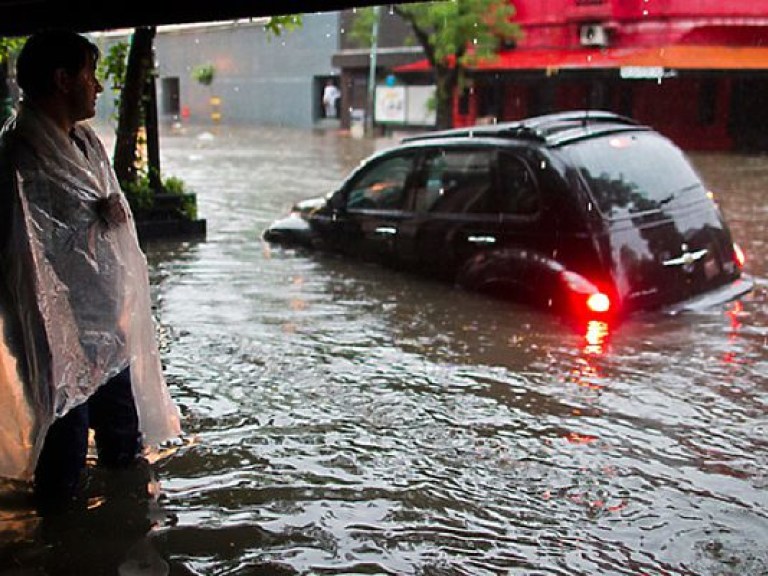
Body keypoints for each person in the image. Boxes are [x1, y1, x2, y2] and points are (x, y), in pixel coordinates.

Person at [0, 30, 181, 513]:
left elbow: (101, 220)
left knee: (123, 438)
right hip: (50, 332)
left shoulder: (84, 143)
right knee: (65, 444)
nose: (98, 87)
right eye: (89, 75)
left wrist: (107, 218)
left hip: (106, 327)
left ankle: (125, 527)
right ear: (62, 80)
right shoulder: (20, 155)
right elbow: (25, 254)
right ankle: (62, 542)